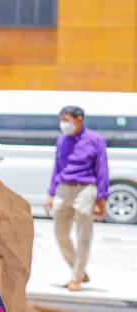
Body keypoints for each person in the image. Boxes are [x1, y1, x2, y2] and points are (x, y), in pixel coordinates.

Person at [44, 105, 109, 292]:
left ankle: (76, 278)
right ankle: (79, 269)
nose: (63, 124)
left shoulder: (95, 140)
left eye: (66, 120)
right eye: (61, 120)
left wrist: (101, 199)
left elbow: (102, 169)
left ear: (79, 119)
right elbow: (57, 167)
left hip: (85, 189)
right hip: (63, 188)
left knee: (83, 235)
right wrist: (51, 194)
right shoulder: (62, 140)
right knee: (60, 234)